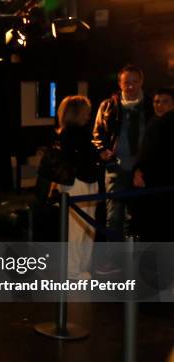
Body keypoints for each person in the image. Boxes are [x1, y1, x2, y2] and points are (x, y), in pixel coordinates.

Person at [93, 65, 153, 241]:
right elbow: (97, 133)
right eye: (127, 82)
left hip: (144, 167)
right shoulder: (108, 105)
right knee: (114, 215)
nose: (131, 86)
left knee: (142, 214)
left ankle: (140, 258)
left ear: (142, 82)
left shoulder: (151, 104)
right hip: (116, 167)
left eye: (135, 82)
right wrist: (102, 150)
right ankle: (114, 258)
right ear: (120, 83)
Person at [55, 96, 100, 279]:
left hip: (82, 180)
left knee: (86, 227)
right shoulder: (74, 134)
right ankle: (74, 269)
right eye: (86, 110)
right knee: (78, 228)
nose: (89, 114)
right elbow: (80, 159)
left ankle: (80, 267)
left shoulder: (69, 132)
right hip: (78, 182)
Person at [133, 88, 174, 241]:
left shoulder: (163, 123)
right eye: (156, 101)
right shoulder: (154, 122)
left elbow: (152, 153)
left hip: (162, 185)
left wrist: (139, 169)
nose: (160, 105)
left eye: (165, 101)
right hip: (154, 184)